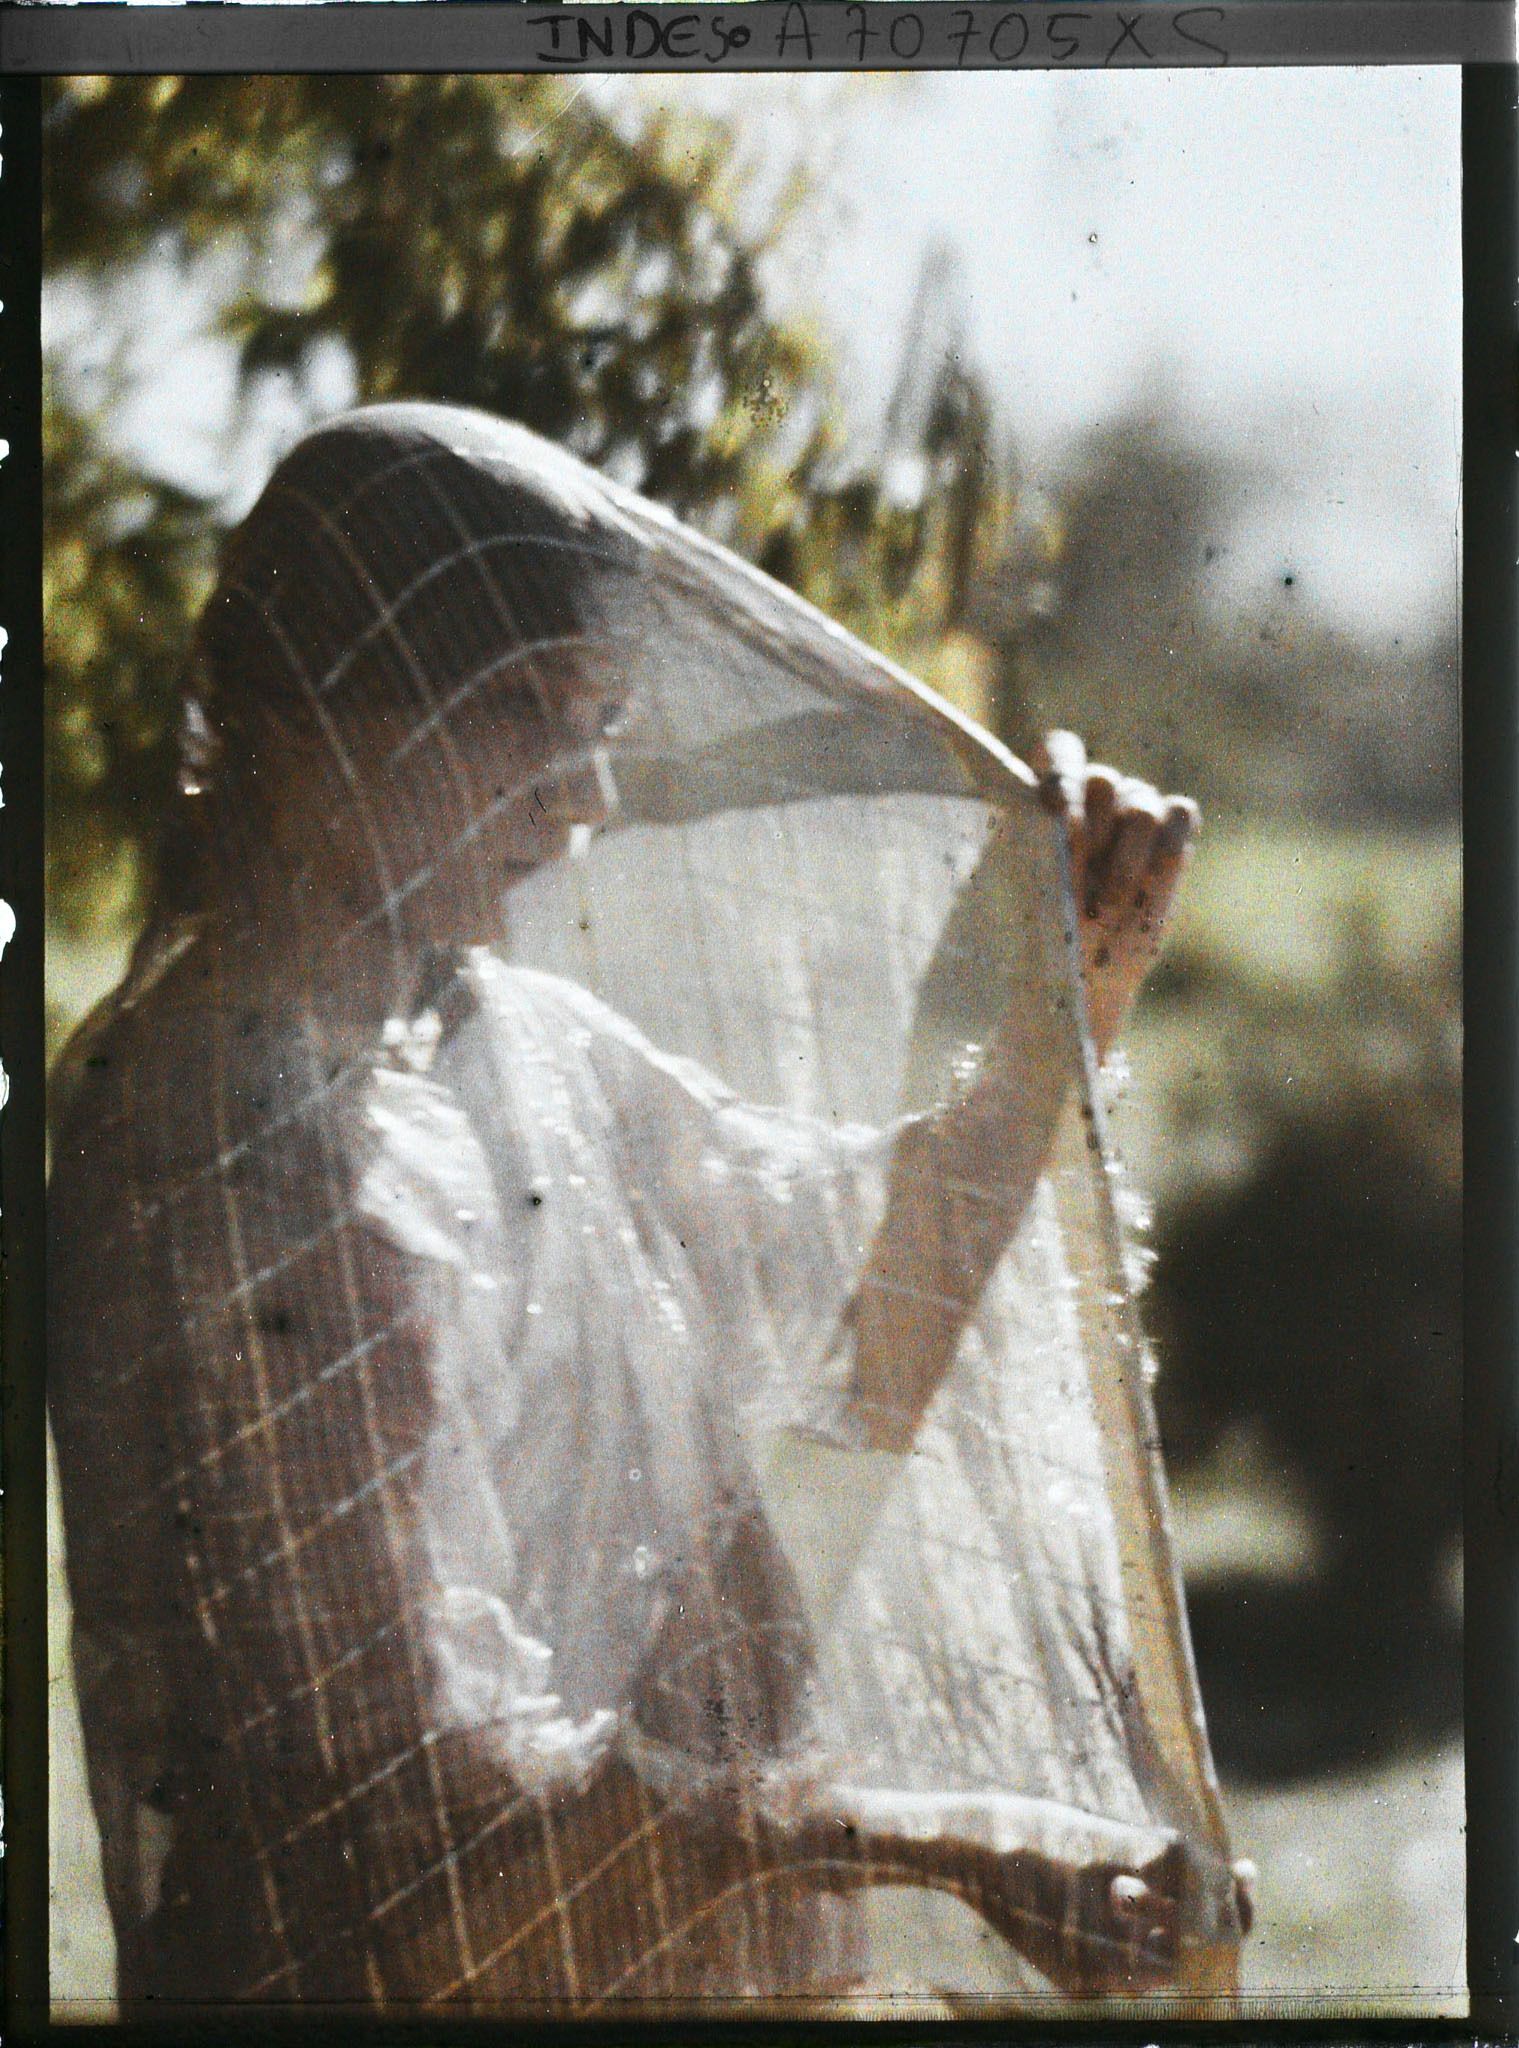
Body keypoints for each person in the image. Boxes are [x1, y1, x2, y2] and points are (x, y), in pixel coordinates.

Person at [48, 405, 1223, 2012]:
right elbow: (430, 1851)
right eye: (523, 711)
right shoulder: (230, 1158)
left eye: (597, 717)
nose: (585, 791)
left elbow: (849, 1273)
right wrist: (948, 1839)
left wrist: (1059, 1014)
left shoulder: (498, 1040)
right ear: (314, 715)